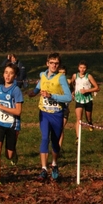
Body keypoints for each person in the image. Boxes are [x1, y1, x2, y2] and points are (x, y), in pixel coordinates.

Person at [28, 52, 72, 181]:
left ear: (59, 65)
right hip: (44, 112)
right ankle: (43, 168)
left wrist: (52, 96)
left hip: (57, 113)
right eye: (51, 63)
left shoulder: (61, 77)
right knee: (44, 138)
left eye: (56, 63)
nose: (54, 65)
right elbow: (38, 87)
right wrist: (33, 93)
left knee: (55, 141)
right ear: (47, 63)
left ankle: (54, 164)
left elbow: (68, 97)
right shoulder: (42, 75)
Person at [0, 63, 23, 186]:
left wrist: (1, 106)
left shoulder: (16, 91)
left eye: (11, 73)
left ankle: (14, 154)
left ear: (15, 76)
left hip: (12, 125)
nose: (7, 75)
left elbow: (18, 111)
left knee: (8, 155)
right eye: (6, 72)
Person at [70, 60, 100, 142]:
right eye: (81, 68)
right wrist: (72, 92)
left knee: (88, 117)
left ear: (86, 69)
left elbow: (97, 88)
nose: (82, 69)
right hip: (79, 99)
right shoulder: (75, 76)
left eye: (84, 68)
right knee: (79, 118)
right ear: (78, 68)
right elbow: (71, 84)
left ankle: (90, 123)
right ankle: (77, 138)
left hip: (87, 99)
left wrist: (87, 90)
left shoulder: (89, 76)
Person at [57, 65, 71, 151]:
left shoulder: (69, 82)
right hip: (55, 108)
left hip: (65, 109)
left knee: (61, 128)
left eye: (64, 73)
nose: (62, 74)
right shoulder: (55, 82)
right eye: (60, 73)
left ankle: (58, 148)